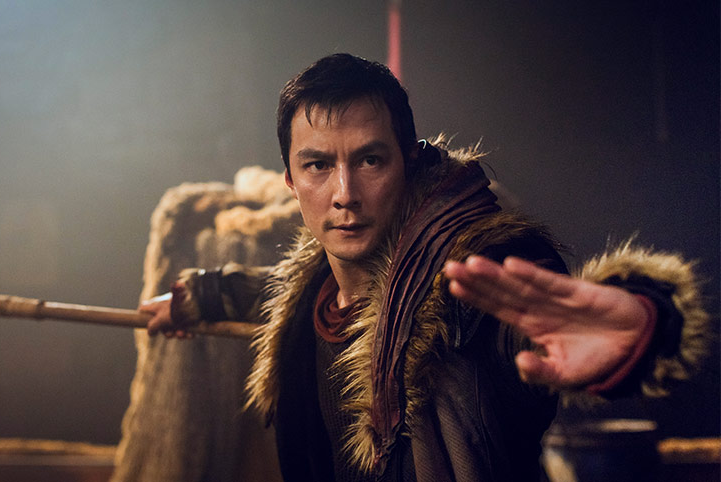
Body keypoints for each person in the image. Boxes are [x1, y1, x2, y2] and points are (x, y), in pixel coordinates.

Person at [142, 54, 708, 481]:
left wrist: (646, 323)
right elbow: (284, 289)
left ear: (408, 162)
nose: (344, 193)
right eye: (317, 165)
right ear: (290, 180)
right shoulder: (312, 289)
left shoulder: (467, 282)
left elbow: (509, 314)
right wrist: (203, 295)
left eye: (370, 159)